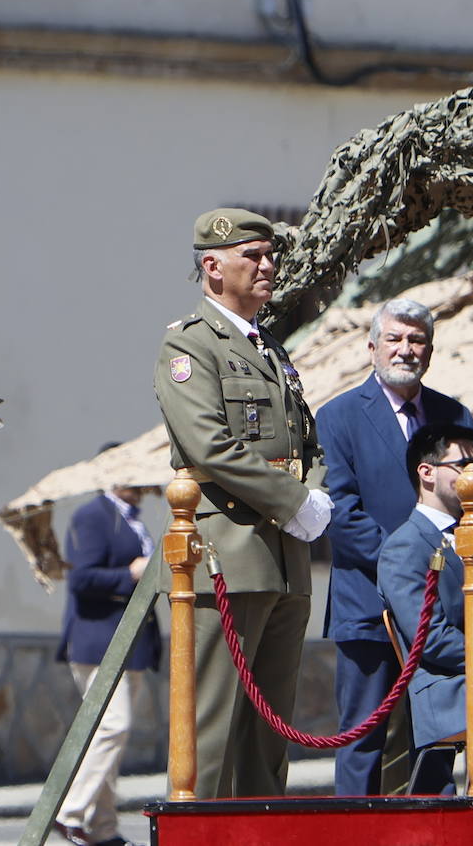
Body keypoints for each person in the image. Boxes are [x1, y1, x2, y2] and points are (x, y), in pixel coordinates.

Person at [152, 207, 333, 798]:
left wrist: (315, 493)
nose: (268, 265)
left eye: (269, 254)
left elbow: (305, 438)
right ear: (212, 266)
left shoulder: (271, 347)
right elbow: (209, 445)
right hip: (226, 554)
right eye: (252, 255)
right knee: (211, 734)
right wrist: (293, 501)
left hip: (284, 558)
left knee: (267, 740)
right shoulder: (189, 346)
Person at [316, 297, 473, 794]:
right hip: (368, 603)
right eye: (395, 338)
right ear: (372, 347)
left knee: (438, 737)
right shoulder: (338, 416)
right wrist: (404, 568)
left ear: (429, 352)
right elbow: (339, 512)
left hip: (443, 609)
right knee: (362, 740)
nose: (406, 349)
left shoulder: (455, 417)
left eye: (417, 340)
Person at [378, 424, 473, 751]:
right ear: (426, 472)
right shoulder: (405, 547)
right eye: (463, 465)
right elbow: (433, 639)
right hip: (454, 688)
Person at [53, 463, 161, 846]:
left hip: (130, 643)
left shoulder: (133, 520)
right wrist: (131, 573)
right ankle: (67, 811)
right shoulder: (93, 515)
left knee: (109, 739)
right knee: (113, 726)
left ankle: (102, 829)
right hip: (98, 641)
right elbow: (80, 578)